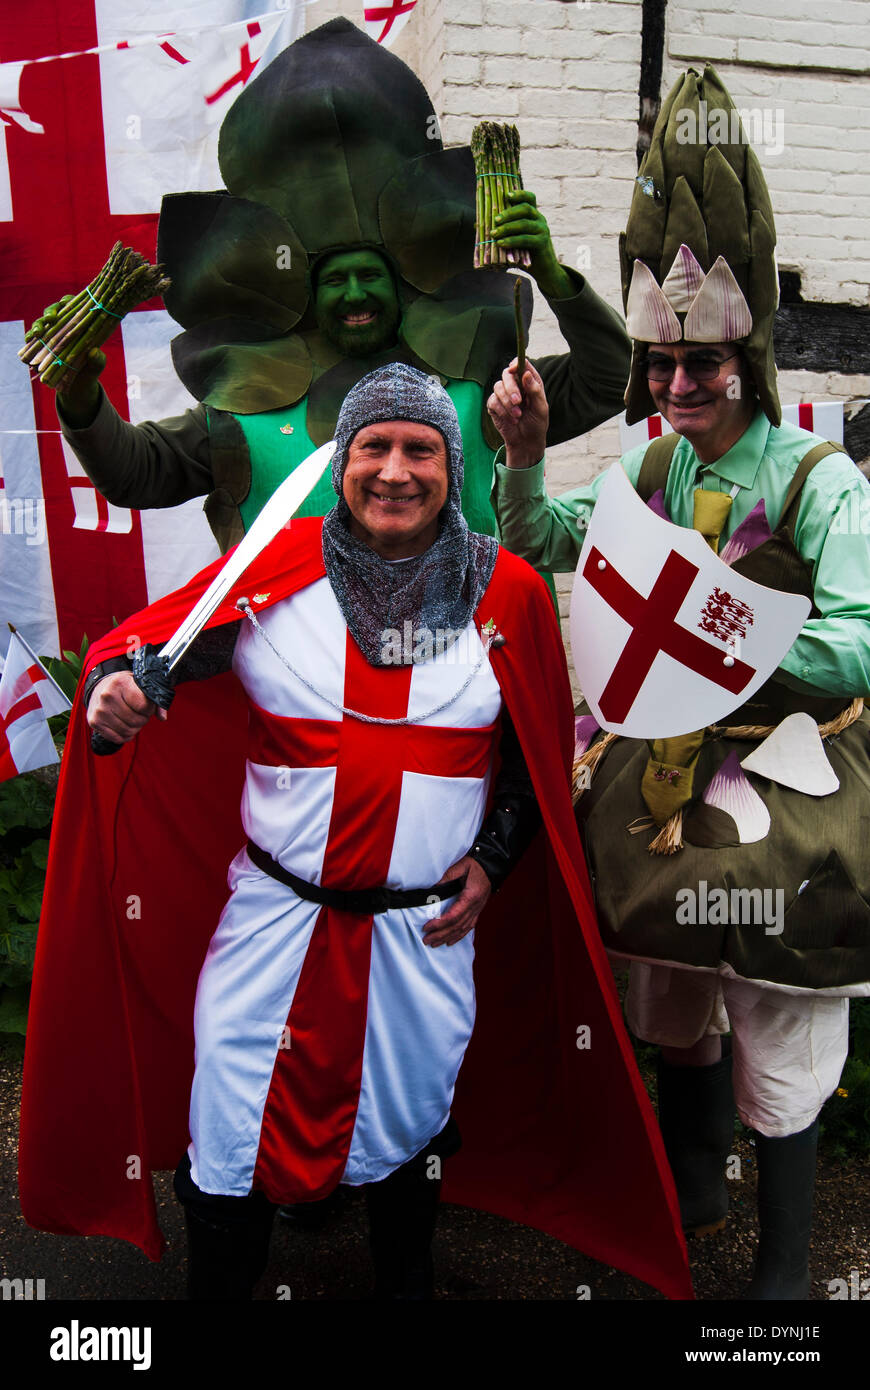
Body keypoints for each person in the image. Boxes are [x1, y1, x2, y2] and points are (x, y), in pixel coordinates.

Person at [20, 363, 693, 1301]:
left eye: (420, 449)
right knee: (229, 1118)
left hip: (421, 938)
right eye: (372, 445)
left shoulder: (509, 597)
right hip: (272, 925)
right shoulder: (273, 572)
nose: (394, 470)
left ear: (453, 467)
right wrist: (116, 696)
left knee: (406, 1129)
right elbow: (149, 661)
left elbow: (537, 761)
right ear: (342, 463)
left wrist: (497, 860)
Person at [489, 64, 870, 1301]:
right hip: (662, 771)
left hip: (786, 782)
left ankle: (787, 1264)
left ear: (745, 358)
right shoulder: (648, 478)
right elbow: (550, 552)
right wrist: (528, 461)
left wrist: (735, 642)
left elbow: (863, 640)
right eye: (661, 368)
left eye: (699, 367)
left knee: (775, 1005)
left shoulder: (819, 478)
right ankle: (696, 1176)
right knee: (667, 981)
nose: (675, 389)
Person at [34, 18, 630, 554]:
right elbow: (134, 473)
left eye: (368, 275)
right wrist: (82, 394)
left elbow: (606, 381)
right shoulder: (244, 409)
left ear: (400, 285)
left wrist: (552, 273)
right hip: (295, 674)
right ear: (304, 297)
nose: (352, 295)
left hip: (460, 660)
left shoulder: (480, 386)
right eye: (333, 280)